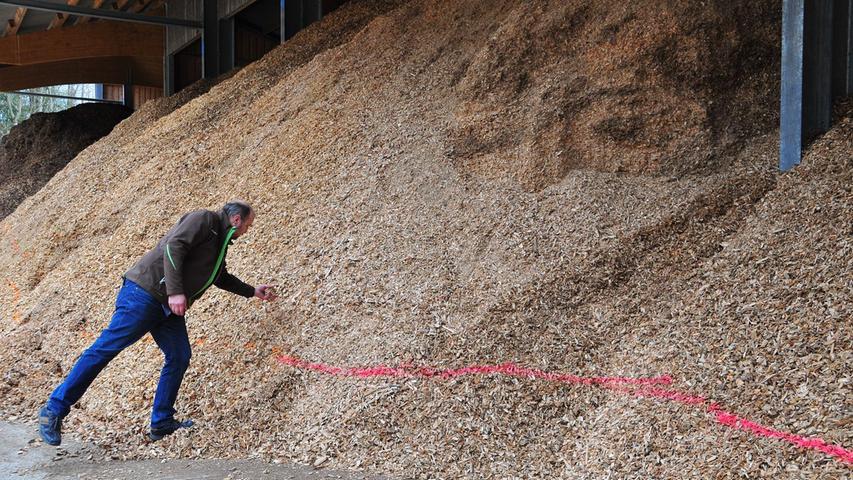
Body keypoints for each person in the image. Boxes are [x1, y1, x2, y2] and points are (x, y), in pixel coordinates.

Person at [38, 201, 277, 445]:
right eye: (248, 224)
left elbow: (219, 276)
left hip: (166, 306)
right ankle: (53, 410)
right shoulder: (205, 220)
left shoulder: (219, 243)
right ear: (236, 219)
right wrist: (175, 291)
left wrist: (252, 291)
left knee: (179, 355)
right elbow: (174, 246)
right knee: (106, 348)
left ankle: (161, 423)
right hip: (144, 293)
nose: (248, 230)